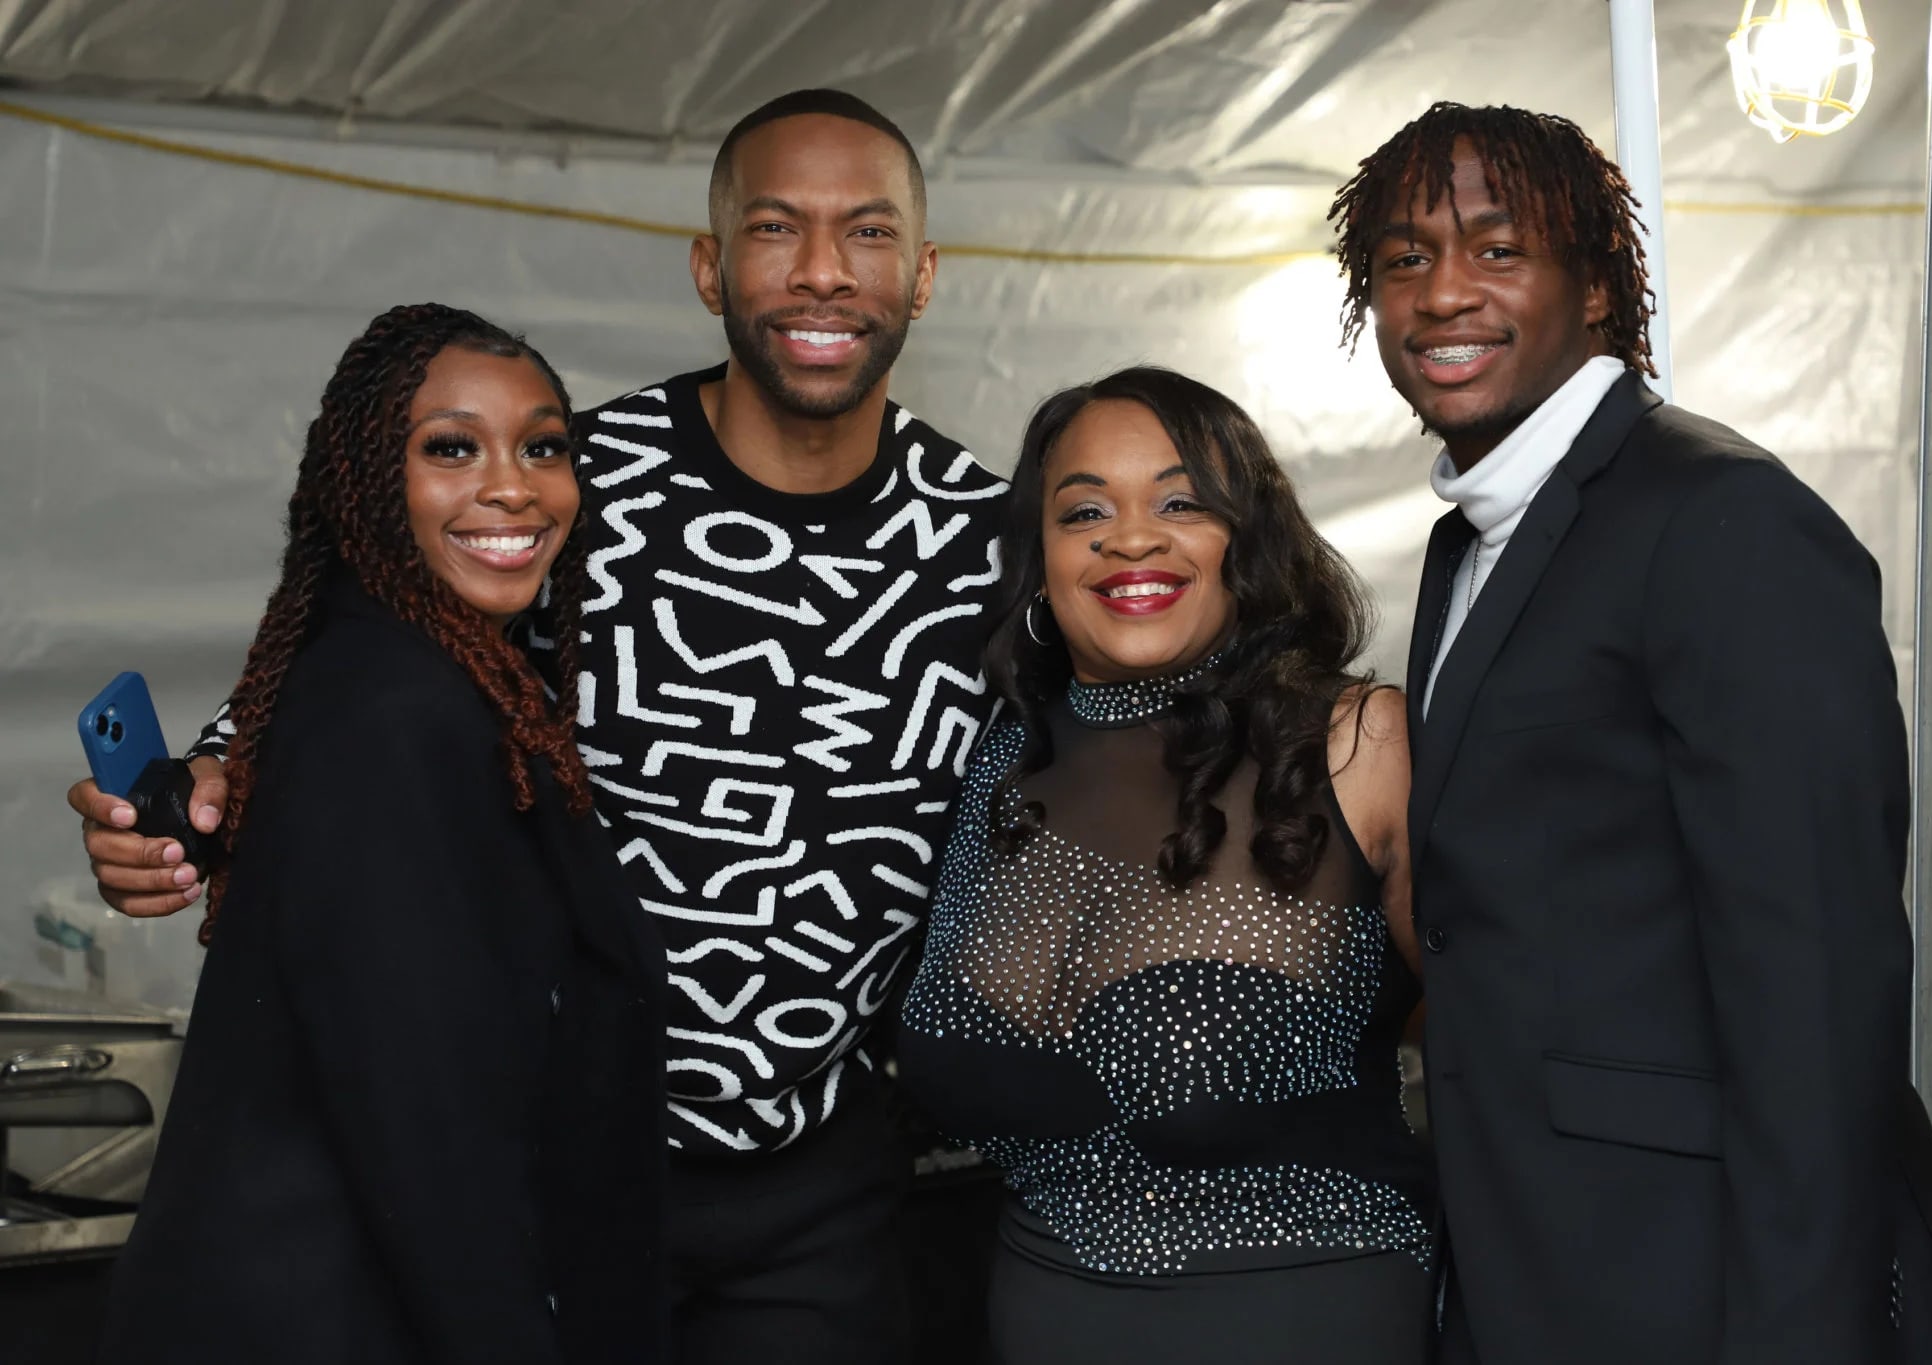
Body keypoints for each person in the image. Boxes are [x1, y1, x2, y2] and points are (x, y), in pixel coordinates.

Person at [71, 89, 1007, 1364]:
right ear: (709, 266)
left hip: (817, 1182)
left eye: (870, 232)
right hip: (559, 1159)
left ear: (925, 274)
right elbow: (370, 645)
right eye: (776, 228)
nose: (824, 271)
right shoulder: (570, 483)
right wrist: (214, 780)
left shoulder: (989, 545)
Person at [1328, 101, 1932, 1363]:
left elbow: (1815, 990)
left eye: (1497, 249)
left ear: (1598, 288)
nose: (1442, 292)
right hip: (1533, 1263)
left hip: (1698, 1286)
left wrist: (1799, 1340)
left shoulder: (1723, 521)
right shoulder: (1471, 539)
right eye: (1403, 259)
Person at [96, 303, 667, 1365]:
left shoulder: (430, 675)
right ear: (366, 479)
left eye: (543, 447)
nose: (513, 486)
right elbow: (423, 1120)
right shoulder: (397, 714)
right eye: (451, 448)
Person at [894, 367, 1432, 1365]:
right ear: (1040, 560)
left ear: (1248, 541)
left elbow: (1503, 1050)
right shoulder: (995, 763)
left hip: (1311, 1319)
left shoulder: (1358, 742)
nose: (1131, 538)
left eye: (1181, 503)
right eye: (1084, 511)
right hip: (1034, 1322)